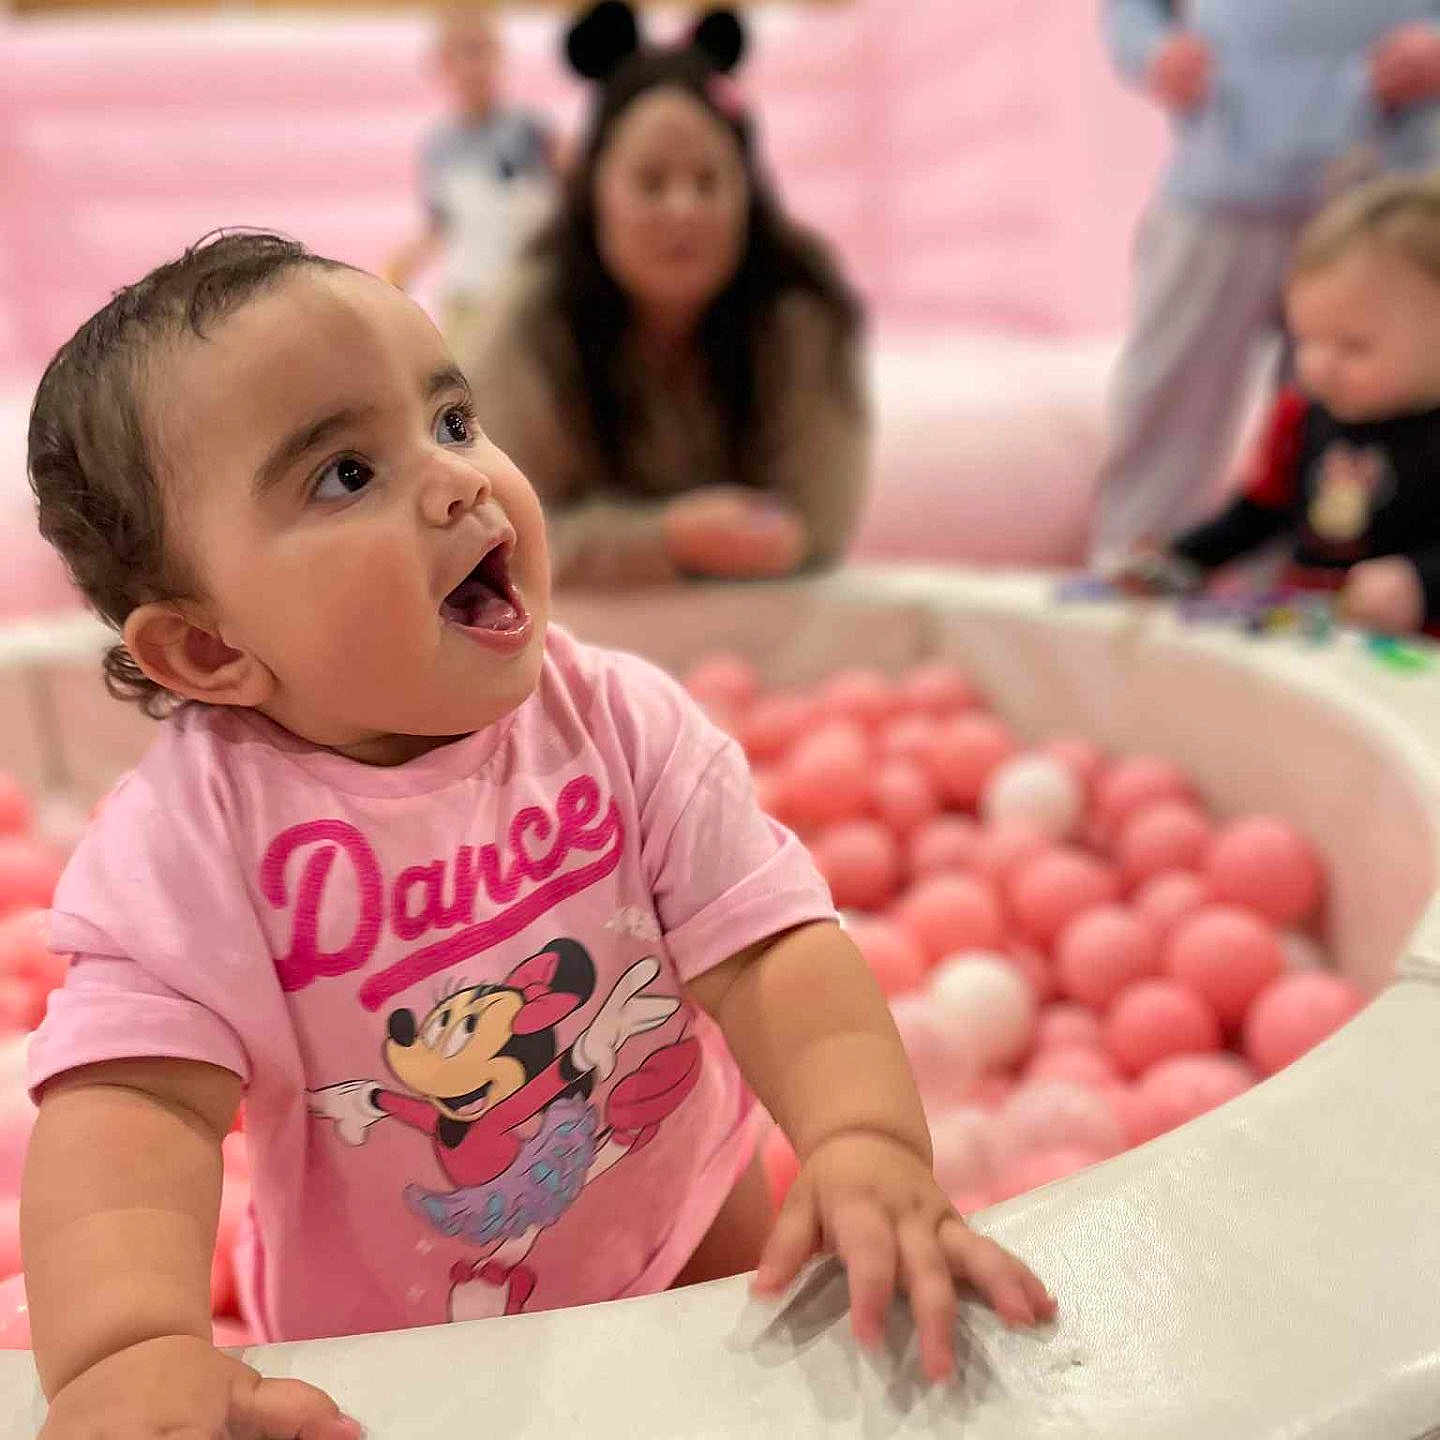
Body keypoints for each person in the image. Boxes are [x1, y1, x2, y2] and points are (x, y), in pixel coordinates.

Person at [21, 231, 1053, 1438]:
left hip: (684, 1215)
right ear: (208, 651)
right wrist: (129, 1349)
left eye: (452, 421)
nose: (456, 480)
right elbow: (137, 1109)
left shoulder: (617, 720)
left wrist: (863, 1138)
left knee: (736, 1403)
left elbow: (772, 949)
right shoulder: (190, 841)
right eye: (346, 474)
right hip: (393, 1340)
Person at [461, 3, 869, 588]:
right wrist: (667, 538)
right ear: (594, 193)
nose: (684, 209)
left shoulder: (800, 314)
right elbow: (490, 531)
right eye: (651, 182)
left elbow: (821, 523)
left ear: (748, 197)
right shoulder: (529, 321)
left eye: (708, 181)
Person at [1091, 1, 1440, 567]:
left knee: (1350, 405)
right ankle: (1136, 570)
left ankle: (1310, 579)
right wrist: (1153, 51)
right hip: (1223, 176)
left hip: (1384, 192)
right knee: (1170, 390)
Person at [1114, 173, 1440, 635]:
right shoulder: (1301, 416)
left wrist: (1419, 583)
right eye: (1306, 340)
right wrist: (1182, 559)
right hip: (1317, 641)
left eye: (1353, 346)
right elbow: (1259, 513)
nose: (1320, 366)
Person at [385, 6, 556, 358]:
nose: (475, 64)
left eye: (483, 50)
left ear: (499, 56)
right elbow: (441, 224)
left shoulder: (530, 131)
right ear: (442, 63)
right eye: (463, 51)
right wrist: (401, 267)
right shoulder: (438, 146)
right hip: (467, 296)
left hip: (524, 294)